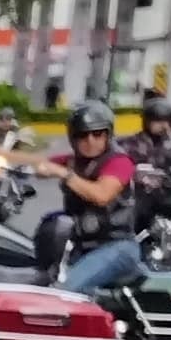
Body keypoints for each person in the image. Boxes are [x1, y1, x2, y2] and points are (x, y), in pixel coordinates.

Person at [30, 99, 138, 290]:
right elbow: (40, 165)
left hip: (116, 246)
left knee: (64, 292)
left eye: (97, 134)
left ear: (108, 134)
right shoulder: (73, 161)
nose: (90, 141)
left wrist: (64, 174)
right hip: (80, 246)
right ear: (73, 138)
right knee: (38, 282)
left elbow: (102, 194)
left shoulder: (119, 162)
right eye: (83, 135)